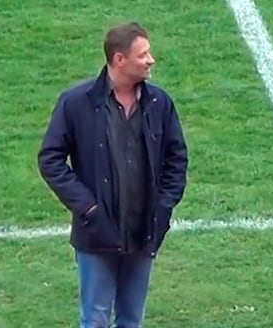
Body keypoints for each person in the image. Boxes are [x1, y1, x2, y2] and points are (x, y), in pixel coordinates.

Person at [37, 22, 189, 328]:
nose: (151, 60)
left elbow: (177, 159)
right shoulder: (76, 102)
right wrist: (88, 208)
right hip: (97, 233)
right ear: (120, 60)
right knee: (94, 320)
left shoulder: (159, 103)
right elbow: (50, 158)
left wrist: (163, 206)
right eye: (143, 54)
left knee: (131, 321)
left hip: (143, 232)